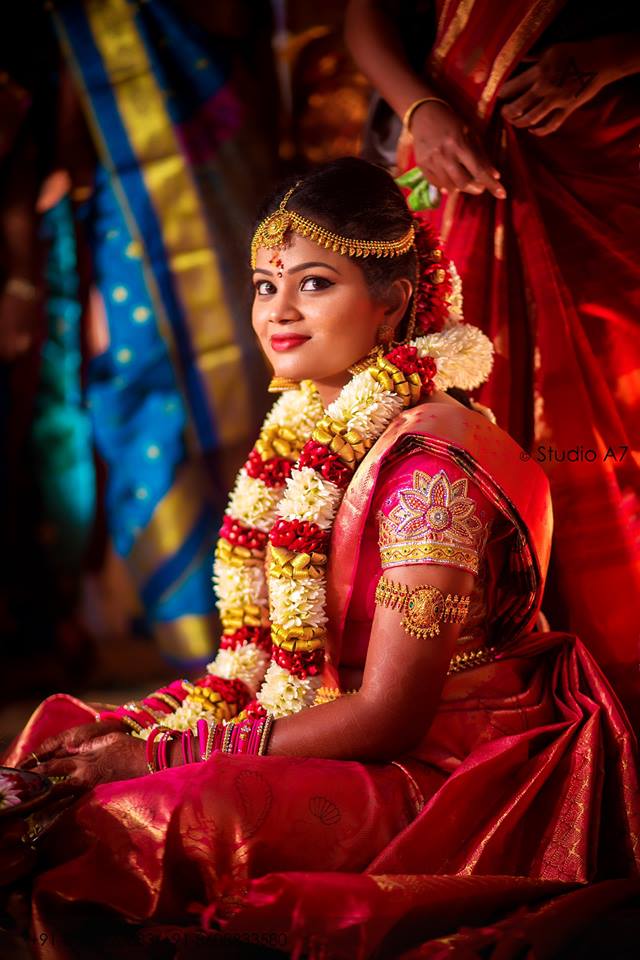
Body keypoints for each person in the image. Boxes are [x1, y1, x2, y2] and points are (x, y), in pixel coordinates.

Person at [3, 158, 639, 958]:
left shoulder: (431, 467)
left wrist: (162, 752)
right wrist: (151, 738)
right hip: (319, 716)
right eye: (267, 284)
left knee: (138, 814)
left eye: (314, 283)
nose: (279, 311)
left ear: (392, 305)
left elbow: (391, 716)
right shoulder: (309, 425)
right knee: (63, 745)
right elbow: (266, 670)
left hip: (446, 759)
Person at [345, 0, 640, 725]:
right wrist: (420, 109)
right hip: (455, 159)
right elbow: (366, 13)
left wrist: (608, 58)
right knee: (464, 402)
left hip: (608, 161)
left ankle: (623, 666)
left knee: (619, 415)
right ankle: (500, 682)